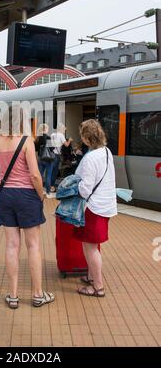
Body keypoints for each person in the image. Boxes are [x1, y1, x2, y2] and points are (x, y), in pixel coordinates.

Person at [0, 106, 54, 309]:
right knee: (34, 246)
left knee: (12, 246)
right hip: (27, 196)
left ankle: (13, 296)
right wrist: (41, 195)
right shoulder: (26, 140)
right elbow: (34, 176)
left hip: (5, 195)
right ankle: (37, 294)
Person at [74, 119, 117, 297]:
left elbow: (85, 189)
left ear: (86, 138)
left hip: (93, 207)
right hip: (106, 205)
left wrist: (74, 187)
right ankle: (91, 276)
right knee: (95, 244)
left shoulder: (90, 158)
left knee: (90, 247)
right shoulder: (107, 152)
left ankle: (97, 287)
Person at [50, 124, 73, 192]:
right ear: (61, 129)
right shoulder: (61, 135)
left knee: (50, 171)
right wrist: (69, 140)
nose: (64, 131)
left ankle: (49, 186)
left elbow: (50, 144)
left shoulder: (52, 134)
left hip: (51, 154)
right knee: (55, 171)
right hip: (56, 155)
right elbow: (66, 145)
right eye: (64, 129)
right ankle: (52, 187)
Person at [35, 123, 54, 198]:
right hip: (48, 158)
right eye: (47, 128)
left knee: (40, 175)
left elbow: (36, 149)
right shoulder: (48, 137)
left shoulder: (38, 138)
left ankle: (38, 190)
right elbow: (52, 148)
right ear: (45, 129)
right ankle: (48, 192)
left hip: (40, 158)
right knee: (48, 175)